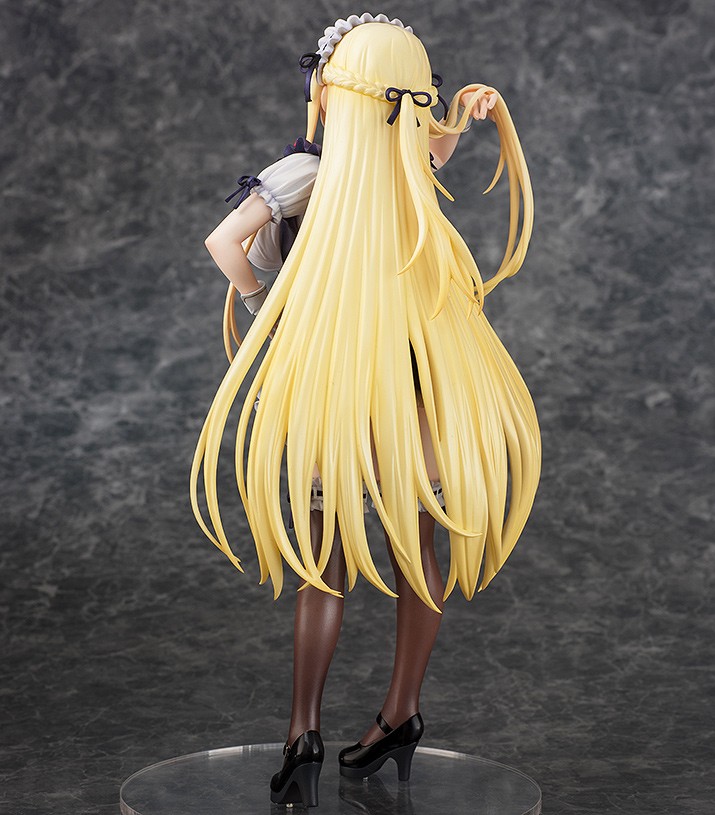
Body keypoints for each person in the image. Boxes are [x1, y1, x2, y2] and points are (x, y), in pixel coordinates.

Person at [191, 12, 541, 808]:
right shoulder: (397, 164)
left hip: (340, 386)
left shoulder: (307, 173)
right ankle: (401, 711)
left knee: (324, 564)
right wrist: (463, 118)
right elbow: (430, 149)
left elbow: (223, 242)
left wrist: (271, 302)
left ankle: (302, 734)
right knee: (416, 548)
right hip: (414, 384)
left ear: (328, 91)